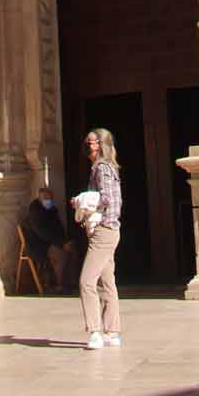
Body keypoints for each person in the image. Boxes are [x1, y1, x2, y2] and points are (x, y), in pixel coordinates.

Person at [73, 127, 122, 350]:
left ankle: (95, 331)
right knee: (107, 281)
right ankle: (112, 331)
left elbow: (109, 199)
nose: (88, 146)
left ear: (101, 145)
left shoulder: (102, 168)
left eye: (91, 142)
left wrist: (82, 201)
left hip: (104, 230)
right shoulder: (104, 167)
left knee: (87, 281)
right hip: (109, 230)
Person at [23, 182, 71, 291]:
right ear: (39, 198)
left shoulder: (52, 210)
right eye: (45, 198)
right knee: (60, 254)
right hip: (38, 244)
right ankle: (59, 284)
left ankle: (70, 281)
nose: (48, 201)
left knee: (72, 249)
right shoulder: (35, 211)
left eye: (50, 199)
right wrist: (60, 243)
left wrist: (65, 241)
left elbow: (59, 227)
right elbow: (41, 232)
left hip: (53, 241)